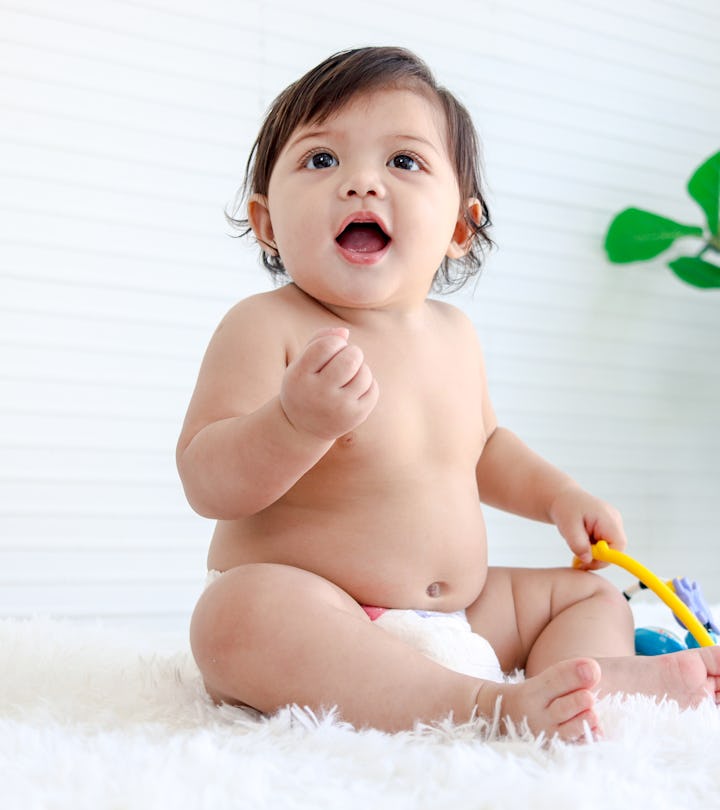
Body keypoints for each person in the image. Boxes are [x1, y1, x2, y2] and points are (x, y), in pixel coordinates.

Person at [177, 46, 720, 741]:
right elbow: (206, 480)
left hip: (464, 613)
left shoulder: (454, 334)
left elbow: (485, 449)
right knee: (235, 616)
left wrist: (558, 495)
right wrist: (293, 422)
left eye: (403, 162)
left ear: (461, 228)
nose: (361, 184)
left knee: (586, 594)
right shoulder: (267, 327)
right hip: (325, 616)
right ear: (267, 222)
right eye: (321, 160)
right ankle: (483, 707)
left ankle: (590, 682)